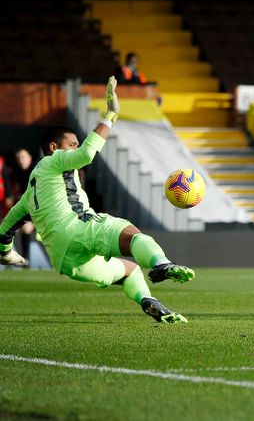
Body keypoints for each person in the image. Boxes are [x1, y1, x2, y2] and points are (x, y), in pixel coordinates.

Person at [0, 77, 195, 323]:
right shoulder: (53, 160)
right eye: (71, 144)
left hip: (65, 259)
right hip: (79, 228)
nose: (76, 147)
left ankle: (149, 301)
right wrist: (110, 115)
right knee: (133, 236)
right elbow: (87, 154)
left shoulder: (29, 195)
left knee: (129, 271)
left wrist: (8, 255)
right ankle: (162, 264)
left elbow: (4, 231)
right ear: (53, 147)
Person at [3, 147, 37, 260]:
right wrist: (8, 195)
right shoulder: (15, 171)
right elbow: (6, 173)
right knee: (26, 228)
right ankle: (25, 258)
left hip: (42, 205)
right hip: (28, 206)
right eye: (18, 158)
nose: (21, 160)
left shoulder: (37, 170)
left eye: (23, 157)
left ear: (30, 158)